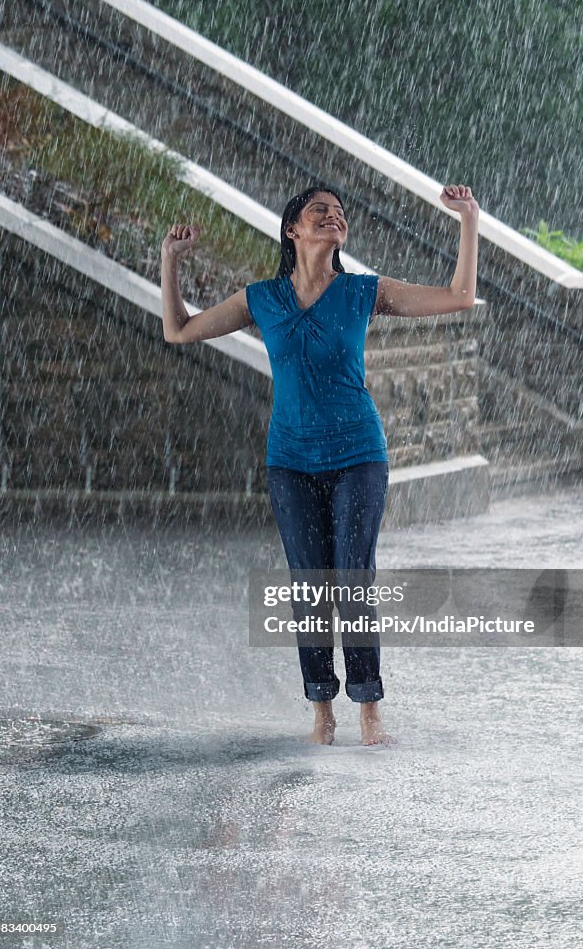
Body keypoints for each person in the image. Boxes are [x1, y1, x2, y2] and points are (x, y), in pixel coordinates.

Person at [161, 183, 479, 746]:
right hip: (290, 462)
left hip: (359, 453)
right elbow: (178, 330)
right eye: (319, 211)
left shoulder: (364, 291)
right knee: (309, 586)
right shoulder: (260, 298)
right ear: (294, 231)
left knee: (353, 578)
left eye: (339, 213)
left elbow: (458, 296)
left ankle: (369, 706)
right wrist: (171, 261)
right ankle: (321, 708)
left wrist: (468, 221)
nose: (333, 217)